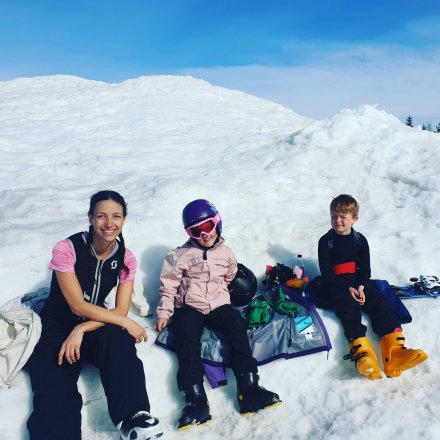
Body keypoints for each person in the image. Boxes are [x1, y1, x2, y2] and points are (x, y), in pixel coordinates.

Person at [26, 190, 163, 440]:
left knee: (118, 339)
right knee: (54, 382)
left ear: (124, 219)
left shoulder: (126, 258)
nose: (109, 223)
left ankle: (134, 419)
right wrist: (121, 321)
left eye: (116, 216)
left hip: (93, 324)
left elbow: (120, 310)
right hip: (56, 326)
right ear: (90, 218)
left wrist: (81, 329)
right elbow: (77, 305)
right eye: (101, 216)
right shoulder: (68, 248)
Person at [155, 199, 281, 430]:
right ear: (189, 233)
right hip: (190, 305)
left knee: (237, 327)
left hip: (218, 303)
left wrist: (226, 294)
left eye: (208, 227)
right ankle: (196, 401)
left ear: (217, 223)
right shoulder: (179, 255)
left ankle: (249, 389)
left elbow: (230, 276)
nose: (204, 235)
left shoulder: (226, 254)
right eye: (196, 231)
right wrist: (164, 312)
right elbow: (169, 286)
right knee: (186, 338)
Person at [318, 194, 428, 379]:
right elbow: (327, 274)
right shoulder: (325, 242)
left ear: (355, 219)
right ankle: (363, 355)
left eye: (343, 217)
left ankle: (395, 352)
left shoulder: (360, 240)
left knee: (381, 303)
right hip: (337, 284)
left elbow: (365, 270)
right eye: (334, 216)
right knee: (348, 308)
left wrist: (361, 286)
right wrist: (348, 289)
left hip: (358, 282)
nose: (338, 220)